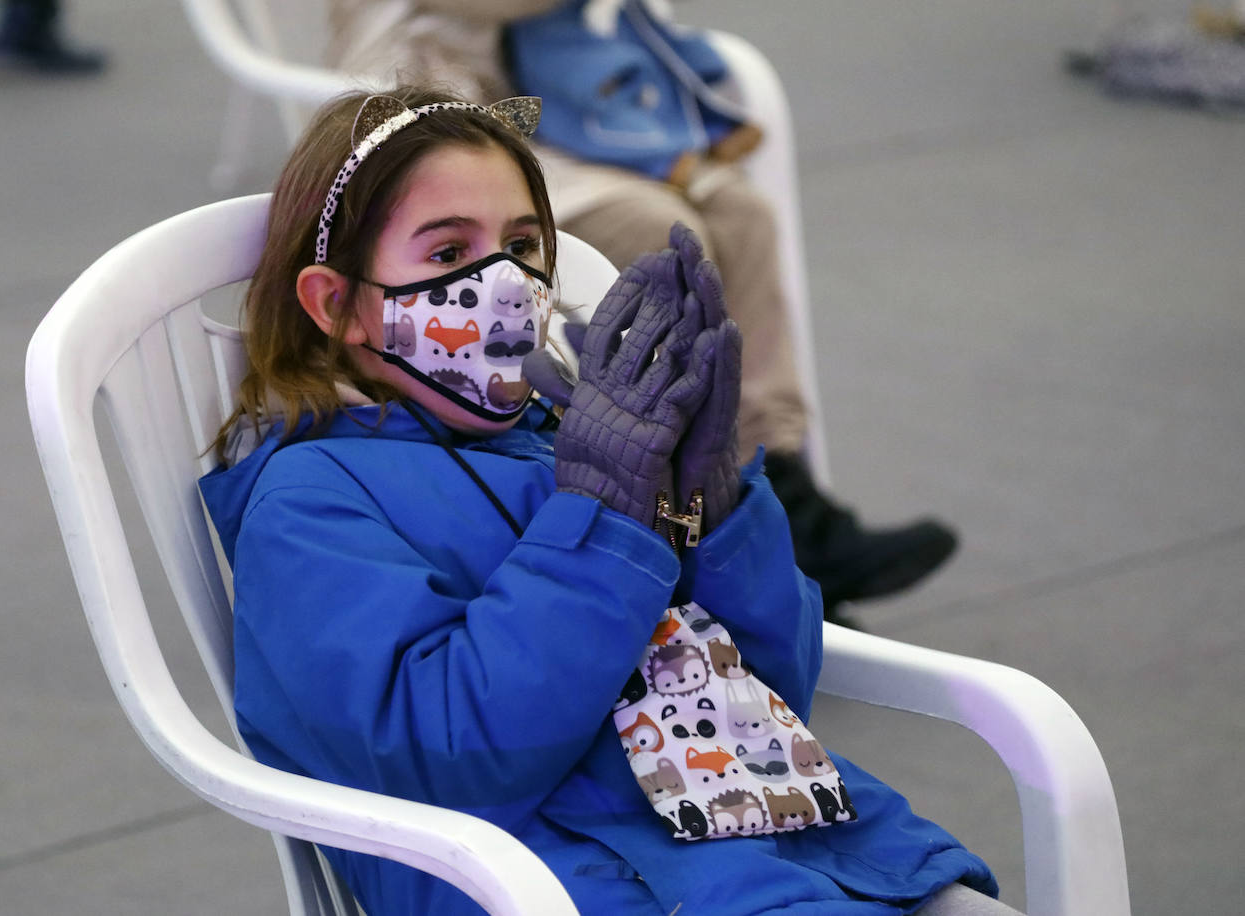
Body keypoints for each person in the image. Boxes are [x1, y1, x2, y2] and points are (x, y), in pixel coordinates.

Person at [198, 84, 1018, 914]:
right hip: (566, 881)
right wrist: (603, 516)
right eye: (448, 255)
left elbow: (778, 687)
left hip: (797, 845)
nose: (506, 282)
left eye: (522, 244)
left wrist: (717, 503)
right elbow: (454, 751)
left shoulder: (574, 430)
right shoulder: (309, 501)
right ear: (339, 306)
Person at [322, 0, 959, 623]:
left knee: (743, 215)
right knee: (664, 228)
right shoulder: (312, 501)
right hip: (419, 131)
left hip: (523, 119)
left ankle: (779, 482)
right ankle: (726, 505)